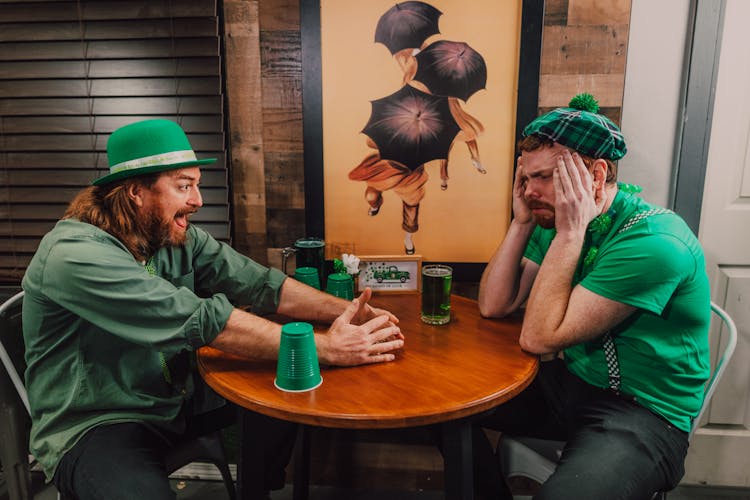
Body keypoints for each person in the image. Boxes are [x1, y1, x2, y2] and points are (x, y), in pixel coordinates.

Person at [21, 119, 404, 500]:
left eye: (197, 185)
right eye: (184, 186)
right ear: (136, 192)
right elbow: (200, 320)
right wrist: (329, 348)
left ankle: (258, 489)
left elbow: (260, 284)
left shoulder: (171, 234)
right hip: (99, 421)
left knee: (287, 392)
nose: (198, 200)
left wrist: (351, 311)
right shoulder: (74, 255)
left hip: (173, 397)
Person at [474, 94, 711, 499]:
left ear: (596, 175)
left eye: (545, 177)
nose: (531, 190)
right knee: (451, 416)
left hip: (643, 412)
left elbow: (537, 338)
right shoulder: (550, 218)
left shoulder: (655, 242)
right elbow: (494, 305)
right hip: (570, 385)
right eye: (526, 178)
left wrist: (569, 234)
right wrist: (521, 222)